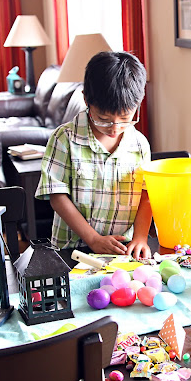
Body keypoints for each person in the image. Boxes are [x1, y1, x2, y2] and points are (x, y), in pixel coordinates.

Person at [35, 51, 152, 259]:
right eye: (103, 119)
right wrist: (93, 239)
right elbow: (57, 196)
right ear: (86, 100)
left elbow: (146, 195)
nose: (114, 128)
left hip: (122, 250)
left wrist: (141, 237)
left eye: (125, 118)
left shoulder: (139, 145)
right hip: (72, 251)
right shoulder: (65, 139)